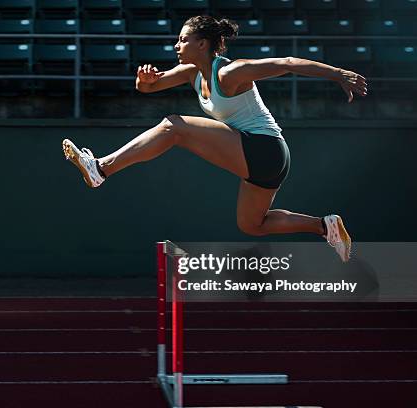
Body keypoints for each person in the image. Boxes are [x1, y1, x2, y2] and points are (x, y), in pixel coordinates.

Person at [62, 16, 367, 262]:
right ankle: (325, 226)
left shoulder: (232, 72)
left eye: (183, 39)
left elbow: (287, 62)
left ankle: (101, 168)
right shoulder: (191, 72)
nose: (176, 45)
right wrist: (143, 81)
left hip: (265, 149)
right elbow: (149, 89)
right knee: (252, 225)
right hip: (264, 159)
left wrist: (339, 73)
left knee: (173, 127)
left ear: (202, 43)